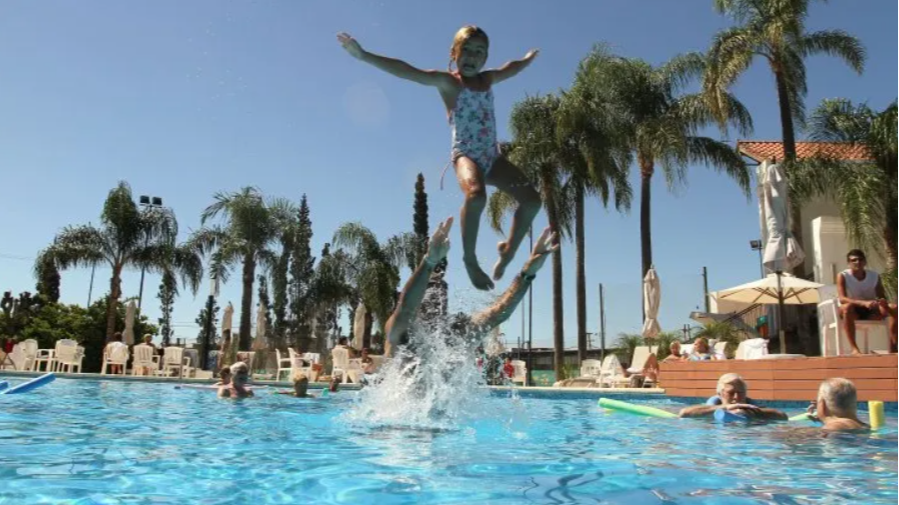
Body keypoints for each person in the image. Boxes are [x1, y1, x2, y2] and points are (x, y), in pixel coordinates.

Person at [338, 28, 542, 292]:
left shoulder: (488, 79)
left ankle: (508, 251)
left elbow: (510, 68)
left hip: (493, 157)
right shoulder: (448, 83)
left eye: (479, 52)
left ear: (485, 58)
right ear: (453, 53)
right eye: (466, 50)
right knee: (476, 196)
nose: (472, 57)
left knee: (533, 201)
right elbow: (407, 71)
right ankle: (470, 260)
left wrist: (526, 60)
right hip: (466, 156)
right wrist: (364, 55)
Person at [384, 217, 558, 365]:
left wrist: (526, 275)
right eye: (430, 291)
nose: (437, 297)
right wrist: (429, 261)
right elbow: (405, 308)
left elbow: (498, 314)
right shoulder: (403, 330)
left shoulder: (455, 332)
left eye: (441, 292)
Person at [837, 249, 897, 354]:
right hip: (852, 311)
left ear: (865, 262)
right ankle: (855, 349)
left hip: (871, 310)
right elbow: (842, 298)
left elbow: (881, 296)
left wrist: (881, 302)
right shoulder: (843, 275)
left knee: (894, 308)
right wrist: (863, 303)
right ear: (849, 263)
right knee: (847, 307)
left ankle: (893, 348)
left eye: (860, 259)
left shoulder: (874, 276)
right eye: (853, 260)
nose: (857, 262)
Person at [679, 374, 787, 421]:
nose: (736, 397)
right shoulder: (708, 409)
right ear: (720, 394)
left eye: (740, 392)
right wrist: (725, 407)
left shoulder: (752, 408)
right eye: (731, 393)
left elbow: (783, 416)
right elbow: (684, 413)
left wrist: (756, 412)